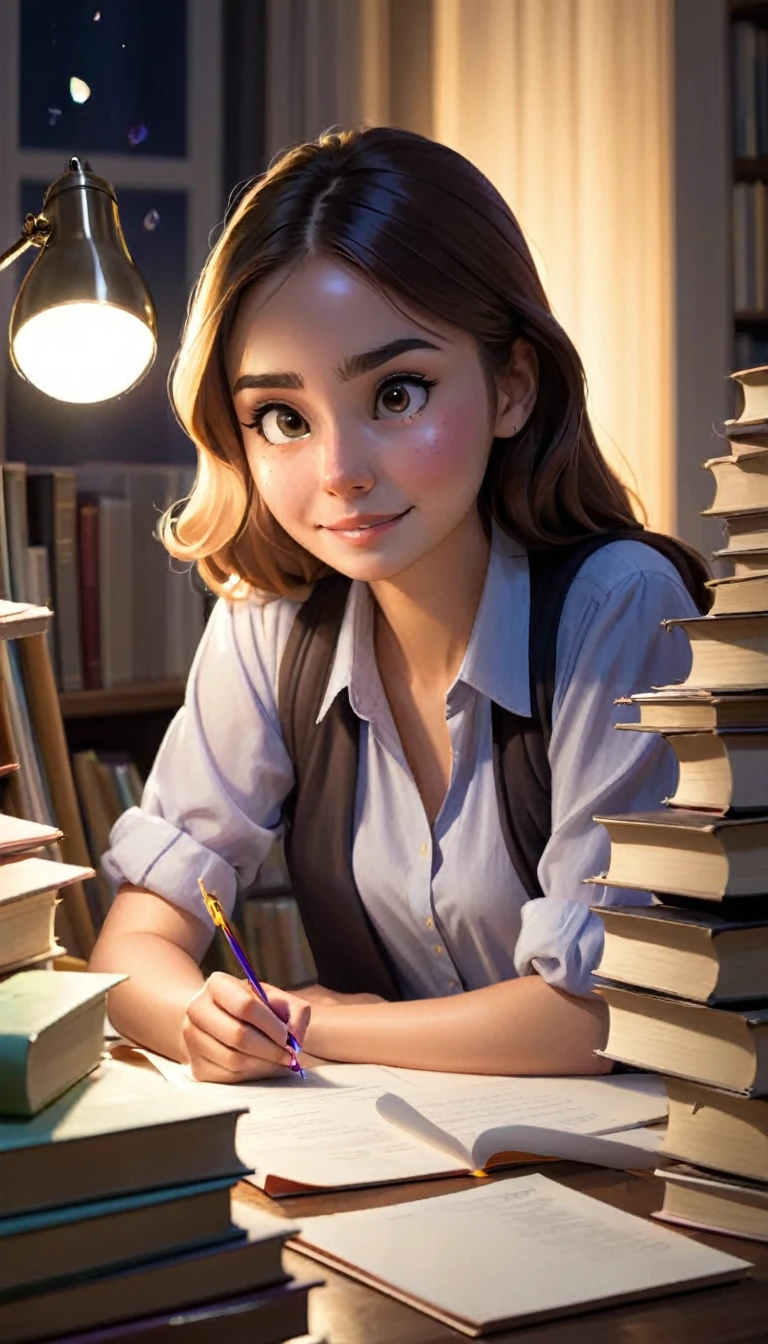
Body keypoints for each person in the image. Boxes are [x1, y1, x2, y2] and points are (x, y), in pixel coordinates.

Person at [89, 126, 708, 1083]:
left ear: (512, 385)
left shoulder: (619, 609)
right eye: (284, 419)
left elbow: (602, 1013)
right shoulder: (271, 626)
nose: (339, 473)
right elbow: (131, 953)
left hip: (644, 1195)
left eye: (398, 393)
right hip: (393, 1184)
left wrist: (314, 1026)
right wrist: (206, 1017)